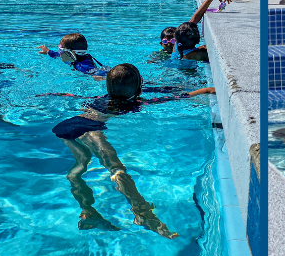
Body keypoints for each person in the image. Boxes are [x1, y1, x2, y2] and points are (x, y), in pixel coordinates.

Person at [50, 63, 215, 236]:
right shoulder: (131, 104)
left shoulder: (107, 97)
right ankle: (141, 211)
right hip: (88, 128)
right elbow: (170, 98)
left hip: (65, 127)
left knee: (79, 165)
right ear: (138, 89)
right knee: (116, 168)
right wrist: (206, 90)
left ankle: (88, 211)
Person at [37, 33, 108, 77]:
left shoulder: (82, 66)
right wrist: (48, 51)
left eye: (60, 50)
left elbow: (95, 71)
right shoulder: (71, 57)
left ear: (71, 53)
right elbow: (57, 55)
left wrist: (96, 76)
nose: (59, 53)